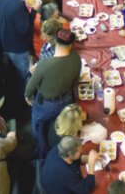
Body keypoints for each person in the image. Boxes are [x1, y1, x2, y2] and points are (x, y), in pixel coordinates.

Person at [25, 29, 81, 157]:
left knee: (39, 125)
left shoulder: (45, 64)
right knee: (62, 126)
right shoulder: (76, 58)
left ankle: (40, 148)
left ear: (55, 41)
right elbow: (75, 81)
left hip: (46, 103)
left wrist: (28, 96)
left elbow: (30, 87)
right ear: (71, 44)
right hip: (66, 98)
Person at [0, 0, 36, 85]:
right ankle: (23, 95)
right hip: (18, 48)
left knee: (10, 70)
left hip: (3, 41)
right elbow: (25, 29)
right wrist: (33, 11)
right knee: (23, 74)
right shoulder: (18, 5)